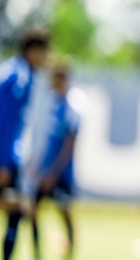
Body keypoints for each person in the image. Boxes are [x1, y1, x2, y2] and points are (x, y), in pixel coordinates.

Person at [0, 27, 50, 259]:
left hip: (11, 155)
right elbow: (3, 121)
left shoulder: (20, 73)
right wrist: (3, 162)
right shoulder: (17, 78)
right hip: (5, 156)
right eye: (45, 51)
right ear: (33, 51)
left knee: (19, 209)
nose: (47, 57)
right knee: (17, 208)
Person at [29, 58, 81, 260]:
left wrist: (54, 171)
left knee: (64, 211)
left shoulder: (73, 106)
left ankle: (70, 253)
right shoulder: (49, 102)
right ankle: (37, 253)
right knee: (32, 210)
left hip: (61, 172)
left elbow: (70, 143)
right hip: (44, 170)